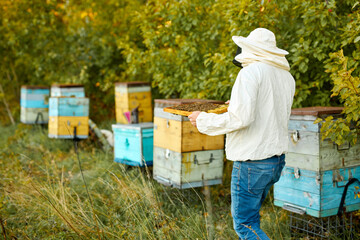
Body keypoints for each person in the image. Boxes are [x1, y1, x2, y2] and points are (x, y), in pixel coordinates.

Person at [188, 28, 295, 239]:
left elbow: (241, 119)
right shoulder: (286, 77)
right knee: (252, 220)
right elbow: (268, 111)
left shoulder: (250, 72)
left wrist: (202, 119)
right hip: (275, 161)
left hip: (252, 162)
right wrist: (236, 104)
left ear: (251, 48)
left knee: (245, 224)